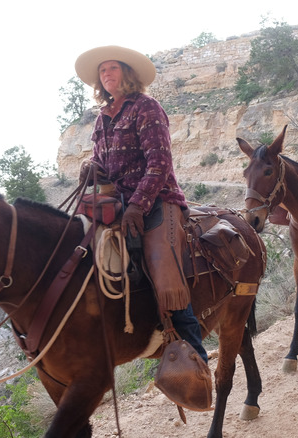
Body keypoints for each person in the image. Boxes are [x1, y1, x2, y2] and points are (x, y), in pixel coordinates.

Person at [75, 45, 208, 363]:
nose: (106, 74)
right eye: (102, 71)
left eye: (113, 68)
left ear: (127, 73)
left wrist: (137, 205)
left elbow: (159, 163)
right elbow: (102, 162)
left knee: (165, 275)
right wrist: (91, 168)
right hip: (116, 202)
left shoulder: (146, 107)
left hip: (158, 199)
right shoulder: (102, 119)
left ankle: (196, 359)